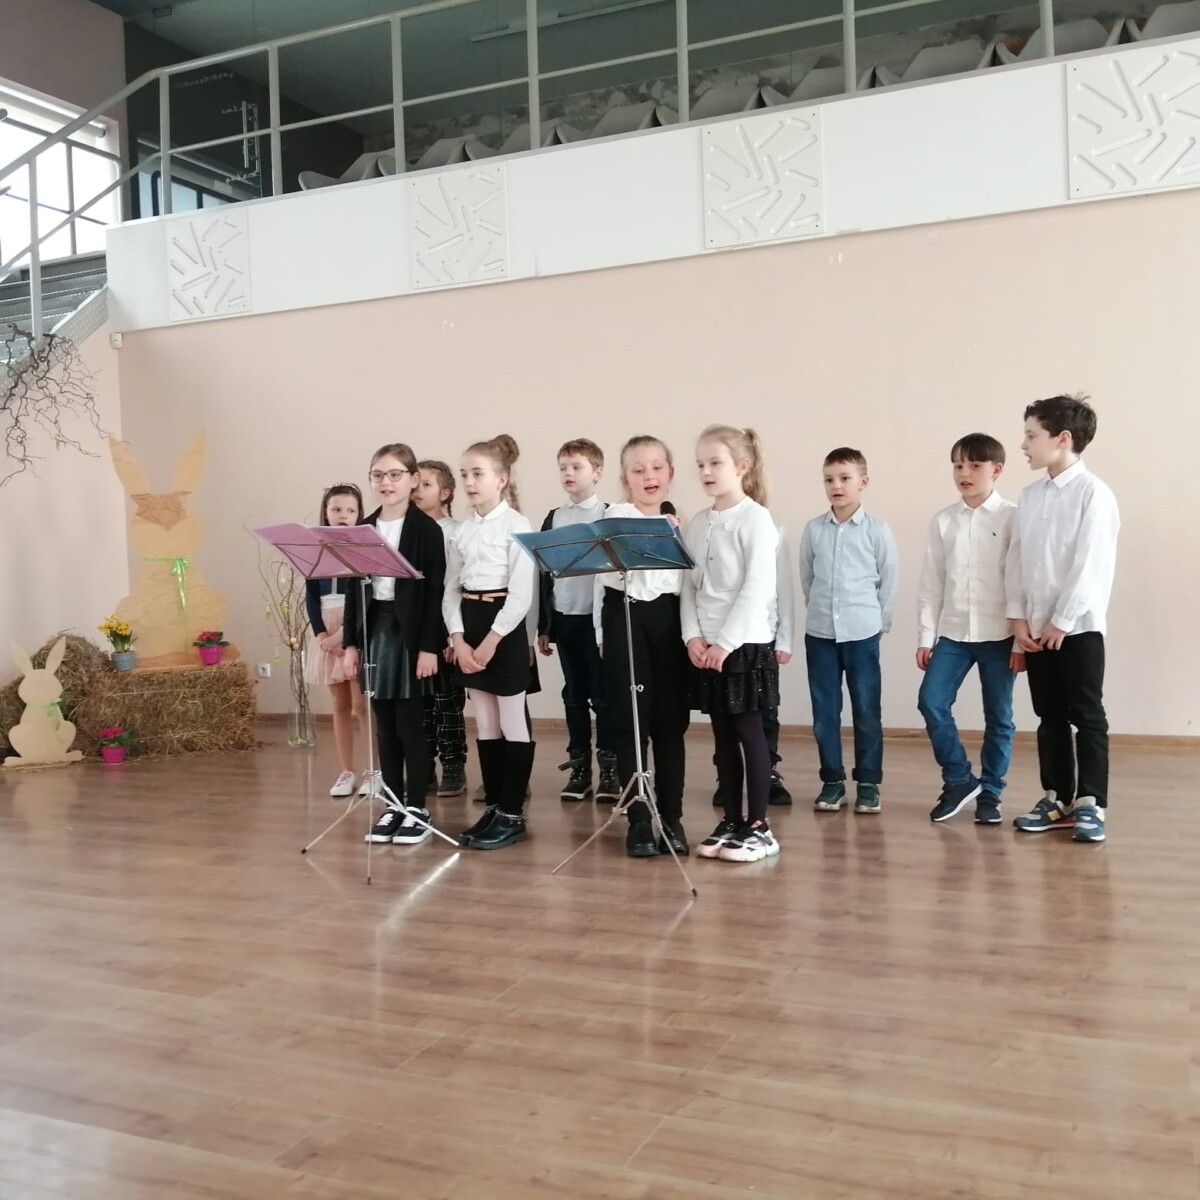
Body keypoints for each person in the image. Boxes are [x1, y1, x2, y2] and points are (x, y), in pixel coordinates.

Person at [1006, 394, 1119, 843]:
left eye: (1031, 435)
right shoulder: (1029, 496)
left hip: (1079, 629)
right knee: (1048, 714)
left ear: (1063, 438)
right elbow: (1017, 562)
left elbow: (1090, 564)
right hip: (1036, 630)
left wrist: (1063, 620)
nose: (1024, 445)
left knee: (1087, 715)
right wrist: (1019, 620)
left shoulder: (1094, 494)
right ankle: (1056, 798)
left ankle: (1091, 804)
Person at [682, 424, 781, 863]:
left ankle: (759, 826)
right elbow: (688, 588)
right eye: (701, 464)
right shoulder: (698, 523)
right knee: (721, 735)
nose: (706, 471)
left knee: (749, 732)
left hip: (743, 645)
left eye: (715, 463)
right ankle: (732, 819)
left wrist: (725, 643)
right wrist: (693, 637)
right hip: (707, 647)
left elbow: (757, 587)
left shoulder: (755, 518)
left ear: (741, 466)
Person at [342, 443, 447, 847]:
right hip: (375, 629)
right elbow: (353, 594)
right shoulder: (363, 529)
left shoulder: (426, 530)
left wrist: (429, 647)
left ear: (412, 479)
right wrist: (352, 644)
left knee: (409, 724)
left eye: (394, 475)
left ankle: (416, 807)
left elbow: (435, 592)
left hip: (411, 632)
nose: (385, 482)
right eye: (378, 475)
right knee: (383, 725)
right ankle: (393, 803)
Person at [916, 433, 1021, 825]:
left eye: (975, 465)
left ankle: (991, 793)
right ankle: (959, 779)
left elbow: (1020, 581)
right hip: (954, 635)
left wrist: (1021, 639)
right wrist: (926, 636)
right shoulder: (943, 521)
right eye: (958, 465)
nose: (965, 473)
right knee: (931, 701)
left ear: (996, 470)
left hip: (1001, 635)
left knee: (999, 717)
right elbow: (932, 584)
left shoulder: (1012, 517)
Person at [594, 435, 691, 858]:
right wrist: (603, 638)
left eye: (656, 467)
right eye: (638, 470)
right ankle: (637, 820)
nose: (648, 476)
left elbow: (687, 587)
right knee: (632, 722)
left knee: (670, 723)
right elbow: (603, 583)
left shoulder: (680, 523)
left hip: (668, 622)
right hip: (625, 616)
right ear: (625, 480)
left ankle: (671, 819)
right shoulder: (615, 517)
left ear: (670, 473)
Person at [444, 434, 537, 850]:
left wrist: (492, 640)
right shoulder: (463, 530)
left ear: (501, 479)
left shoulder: (517, 525)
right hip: (471, 623)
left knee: (512, 721)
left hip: (504, 629)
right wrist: (458, 638)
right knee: (484, 723)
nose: (469, 482)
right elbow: (450, 588)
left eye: (477, 474)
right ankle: (495, 807)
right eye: (464, 474)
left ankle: (513, 814)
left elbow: (521, 593)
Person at [800, 447, 899, 814]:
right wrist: (822, 614)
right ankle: (832, 781)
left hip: (862, 634)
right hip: (821, 635)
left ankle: (869, 782)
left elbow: (889, 580)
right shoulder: (814, 530)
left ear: (863, 482)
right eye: (829, 479)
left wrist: (878, 623)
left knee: (867, 710)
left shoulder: (878, 530)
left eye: (844, 478)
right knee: (825, 712)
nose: (836, 486)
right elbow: (808, 579)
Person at [537, 438, 619, 803]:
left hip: (597, 621)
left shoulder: (609, 514)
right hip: (565, 618)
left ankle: (610, 768)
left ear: (597, 472)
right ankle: (580, 767)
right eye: (563, 468)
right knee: (573, 694)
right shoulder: (554, 517)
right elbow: (544, 574)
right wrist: (545, 626)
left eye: (577, 467)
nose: (568, 474)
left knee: (603, 694)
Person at [304, 482, 367, 799]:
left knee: (361, 704)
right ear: (326, 513)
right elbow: (311, 597)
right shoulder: (316, 552)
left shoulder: (363, 551)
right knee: (339, 704)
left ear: (359, 515)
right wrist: (321, 636)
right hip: (326, 632)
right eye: (336, 509)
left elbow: (363, 597)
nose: (343, 515)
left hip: (352, 627)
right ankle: (346, 771)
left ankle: (374, 772)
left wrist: (344, 634)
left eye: (350, 510)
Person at [413, 459, 468, 799]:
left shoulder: (456, 531)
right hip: (417, 630)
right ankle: (424, 766)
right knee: (419, 705)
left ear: (445, 493)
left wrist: (452, 634)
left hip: (444, 629)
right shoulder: (408, 532)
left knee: (446, 703)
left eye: (426, 485)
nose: (417, 491)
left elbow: (455, 586)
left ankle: (453, 765)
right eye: (415, 484)